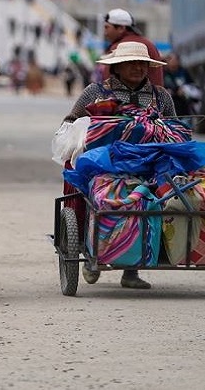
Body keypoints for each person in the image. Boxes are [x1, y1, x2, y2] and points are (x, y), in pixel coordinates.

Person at [62, 41, 176, 290]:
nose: (137, 68)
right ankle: (93, 254)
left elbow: (174, 130)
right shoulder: (96, 92)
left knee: (148, 202)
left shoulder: (161, 96)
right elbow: (71, 120)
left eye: (142, 63)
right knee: (102, 201)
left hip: (150, 164)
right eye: (131, 63)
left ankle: (132, 269)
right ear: (118, 67)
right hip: (105, 163)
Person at [101, 8, 163, 85]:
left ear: (121, 28)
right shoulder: (150, 44)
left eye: (107, 27)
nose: (105, 33)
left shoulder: (120, 47)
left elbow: (108, 83)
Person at [162, 52, 198, 117]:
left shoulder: (184, 72)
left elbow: (192, 86)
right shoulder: (163, 74)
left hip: (184, 108)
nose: (172, 62)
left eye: (174, 60)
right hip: (169, 108)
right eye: (169, 59)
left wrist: (185, 90)